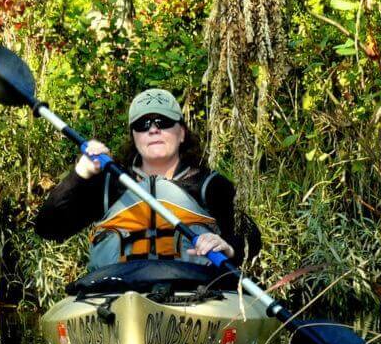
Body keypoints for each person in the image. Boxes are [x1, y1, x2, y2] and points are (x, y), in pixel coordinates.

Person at [35, 88, 260, 270]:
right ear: (134, 137)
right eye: (143, 125)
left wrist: (229, 247)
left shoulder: (209, 185)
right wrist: (80, 175)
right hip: (119, 294)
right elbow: (48, 228)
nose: (153, 130)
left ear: (181, 133)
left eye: (163, 122)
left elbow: (251, 238)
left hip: (195, 293)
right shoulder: (110, 186)